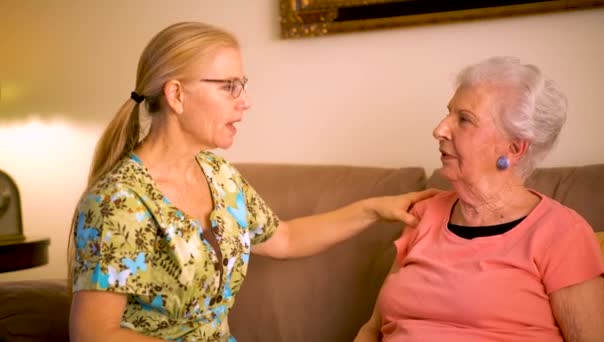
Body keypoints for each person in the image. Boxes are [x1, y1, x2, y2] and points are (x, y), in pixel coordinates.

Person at [67, 22, 437, 342]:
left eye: (241, 85)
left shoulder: (219, 174)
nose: (245, 102)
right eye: (229, 86)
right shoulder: (118, 202)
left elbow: (286, 238)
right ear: (176, 94)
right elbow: (94, 334)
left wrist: (373, 209)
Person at [355, 56, 604, 341]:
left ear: (513, 148)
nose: (439, 129)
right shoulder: (424, 214)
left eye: (464, 119)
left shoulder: (561, 233)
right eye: (448, 113)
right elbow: (372, 329)